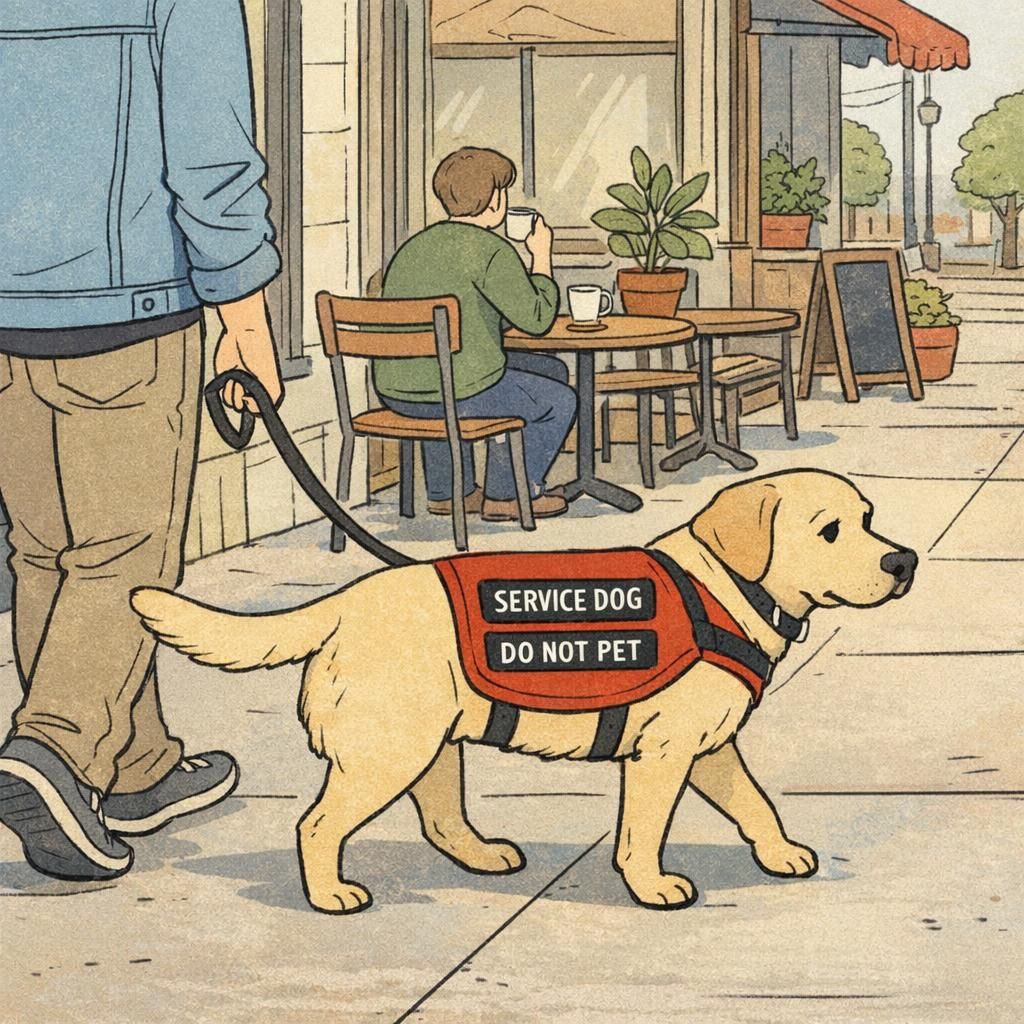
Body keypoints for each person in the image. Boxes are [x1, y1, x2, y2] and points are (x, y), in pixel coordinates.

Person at [0, 0, 283, 881]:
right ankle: (55, 751)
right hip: (130, 315)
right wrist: (245, 317)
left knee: (49, 552)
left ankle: (134, 767)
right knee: (126, 554)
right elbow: (211, 161)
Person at [374, 147, 577, 521]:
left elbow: (470, 316)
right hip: (454, 390)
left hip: (396, 389)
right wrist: (541, 257)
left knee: (550, 371)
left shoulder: (415, 248)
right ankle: (507, 495)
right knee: (559, 400)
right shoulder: (491, 250)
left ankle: (450, 491)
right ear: (495, 200)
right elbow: (537, 318)